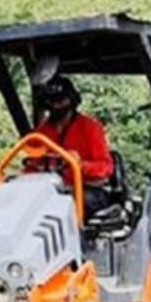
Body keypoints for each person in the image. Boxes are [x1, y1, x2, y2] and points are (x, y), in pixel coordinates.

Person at [31, 75, 114, 219]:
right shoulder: (41, 132)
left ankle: (77, 238)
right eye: (52, 101)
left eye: (60, 100)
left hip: (87, 189)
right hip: (50, 189)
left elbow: (105, 168)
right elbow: (31, 163)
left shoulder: (90, 128)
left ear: (71, 100)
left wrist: (80, 165)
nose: (56, 105)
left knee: (68, 203)